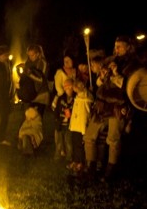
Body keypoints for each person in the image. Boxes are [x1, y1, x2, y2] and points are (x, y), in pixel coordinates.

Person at [83, 36, 139, 181]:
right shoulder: (109, 60)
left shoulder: (132, 64)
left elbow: (127, 86)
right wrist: (102, 77)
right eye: (116, 46)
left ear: (128, 47)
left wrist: (115, 74)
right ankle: (91, 169)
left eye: (120, 46)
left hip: (117, 106)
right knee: (89, 136)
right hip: (102, 106)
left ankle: (110, 171)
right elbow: (98, 82)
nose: (117, 49)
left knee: (113, 139)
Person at [17, 44, 51, 118]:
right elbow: (27, 78)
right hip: (31, 94)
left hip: (41, 94)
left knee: (37, 118)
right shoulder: (28, 63)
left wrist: (28, 72)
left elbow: (41, 80)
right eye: (29, 55)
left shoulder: (42, 63)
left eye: (32, 55)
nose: (30, 57)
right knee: (29, 118)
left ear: (38, 54)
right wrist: (19, 72)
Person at [68, 79, 94, 175]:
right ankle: (75, 160)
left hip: (81, 125)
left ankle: (80, 162)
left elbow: (87, 109)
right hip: (75, 124)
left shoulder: (87, 97)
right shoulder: (78, 97)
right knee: (75, 143)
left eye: (78, 87)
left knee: (80, 145)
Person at [51, 78, 76, 163]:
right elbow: (56, 110)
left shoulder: (75, 99)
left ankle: (69, 157)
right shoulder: (60, 98)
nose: (68, 89)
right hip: (60, 124)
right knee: (58, 141)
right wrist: (56, 119)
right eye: (66, 87)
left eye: (70, 87)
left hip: (69, 125)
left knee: (68, 142)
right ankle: (58, 155)